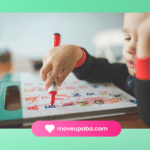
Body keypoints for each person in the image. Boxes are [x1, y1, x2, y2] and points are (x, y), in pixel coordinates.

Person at [40, 13, 150, 127]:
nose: (129, 48)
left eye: (148, 41)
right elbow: (98, 70)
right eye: (128, 38)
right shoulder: (127, 75)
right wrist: (76, 53)